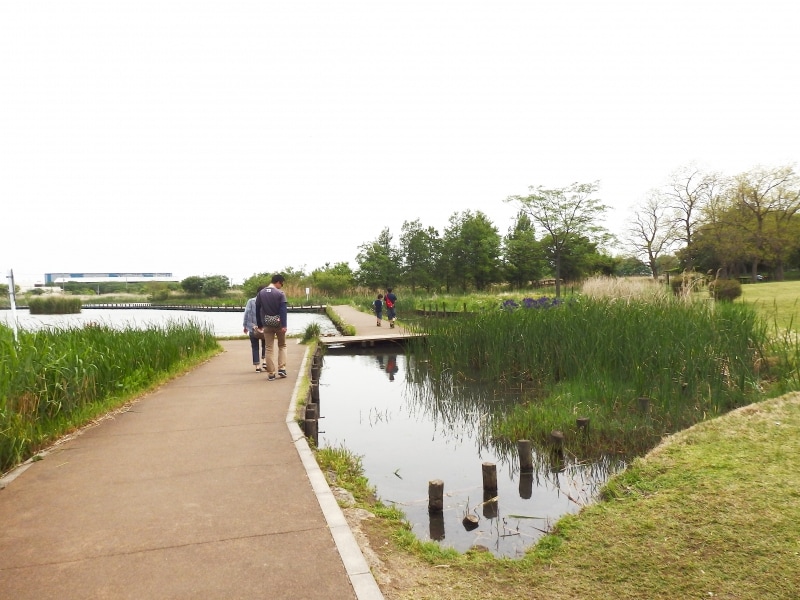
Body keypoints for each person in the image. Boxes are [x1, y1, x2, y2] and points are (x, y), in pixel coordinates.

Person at [255, 274, 288, 381]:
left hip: (267, 324)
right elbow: (283, 310)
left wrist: (260, 324)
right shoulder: (280, 293)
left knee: (269, 348)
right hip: (279, 324)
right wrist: (284, 325)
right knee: (282, 345)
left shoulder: (261, 293)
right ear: (278, 282)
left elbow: (257, 309)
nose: (282, 285)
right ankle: (282, 368)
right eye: (282, 283)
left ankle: (271, 373)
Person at [243, 285, 266, 372]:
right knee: (266, 345)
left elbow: (246, 314)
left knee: (255, 347)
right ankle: (265, 361)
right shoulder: (267, 301)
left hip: (253, 327)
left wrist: (245, 326)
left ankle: (257, 366)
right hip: (265, 327)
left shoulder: (251, 301)